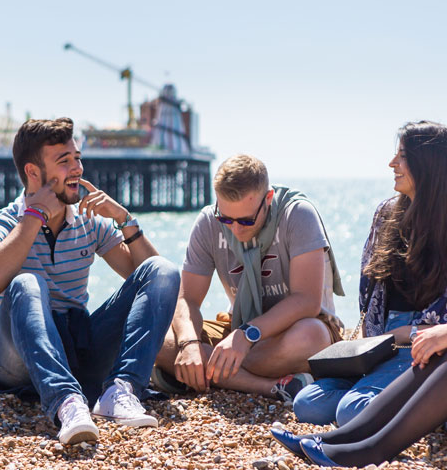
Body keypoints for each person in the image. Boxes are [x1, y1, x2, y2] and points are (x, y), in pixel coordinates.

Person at [0, 117, 180, 445]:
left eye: (77, 158)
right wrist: (33, 218)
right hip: (13, 365)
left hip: (76, 353)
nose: (77, 169)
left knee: (164, 270)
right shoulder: (2, 222)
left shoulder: (88, 221)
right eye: (64, 161)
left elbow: (146, 277)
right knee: (26, 283)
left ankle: (121, 390)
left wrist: (124, 219)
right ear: (33, 172)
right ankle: (66, 403)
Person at [291, 121, 447, 426]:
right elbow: (370, 290)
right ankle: (423, 408)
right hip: (384, 340)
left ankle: (426, 407)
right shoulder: (387, 213)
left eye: (402, 156)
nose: (392, 163)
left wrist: (411, 333)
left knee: (353, 410)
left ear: (427, 163)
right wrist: (369, 345)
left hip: (429, 344)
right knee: (308, 404)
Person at [154, 154, 344, 401]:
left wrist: (246, 336)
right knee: (156, 332)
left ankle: (204, 374)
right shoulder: (208, 222)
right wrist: (189, 345)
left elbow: (307, 301)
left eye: (246, 220)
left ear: (268, 199)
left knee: (311, 337)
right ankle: (271, 386)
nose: (235, 229)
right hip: (238, 327)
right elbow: (187, 300)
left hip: (295, 327)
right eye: (226, 218)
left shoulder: (298, 214)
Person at [270, 323, 447, 467]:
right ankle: (348, 435)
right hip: (388, 357)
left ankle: (374, 449)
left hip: (404, 352)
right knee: (438, 355)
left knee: (350, 408)